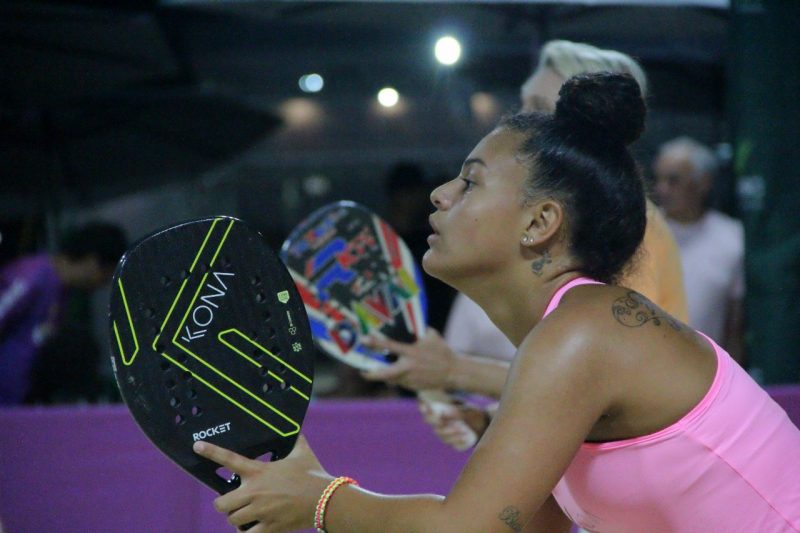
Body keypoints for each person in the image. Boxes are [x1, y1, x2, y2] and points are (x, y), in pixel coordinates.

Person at [194, 73, 800, 532]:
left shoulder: (584, 334)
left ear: (539, 223)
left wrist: (319, 499)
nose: (439, 194)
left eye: (470, 181)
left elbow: (468, 529)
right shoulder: (567, 340)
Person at [360, 40, 688, 448]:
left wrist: (455, 370)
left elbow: (600, 381)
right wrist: (487, 418)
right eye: (523, 104)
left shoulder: (630, 228)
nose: (521, 121)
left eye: (539, 107)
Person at [0, 221, 127, 404]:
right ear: (93, 262)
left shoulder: (61, 292)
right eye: (106, 276)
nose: (102, 285)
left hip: (18, 399)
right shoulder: (31, 278)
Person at [654, 136, 746, 364]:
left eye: (673, 180)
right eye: (659, 179)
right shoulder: (641, 231)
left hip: (707, 370)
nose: (661, 189)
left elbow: (735, 323)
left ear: (703, 182)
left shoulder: (731, 237)